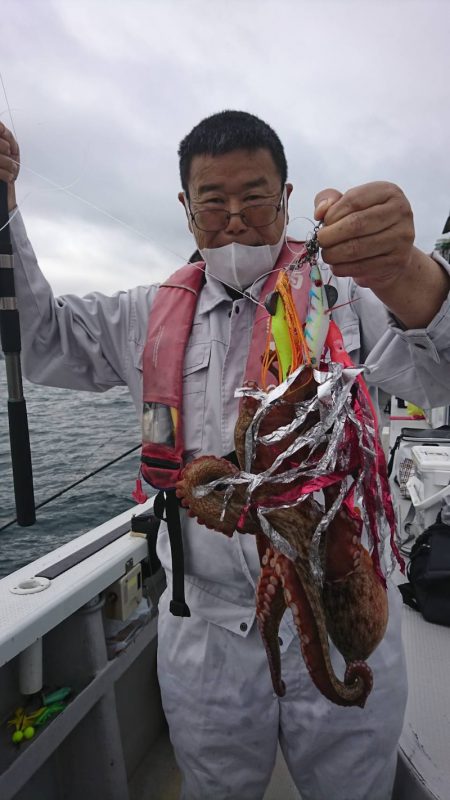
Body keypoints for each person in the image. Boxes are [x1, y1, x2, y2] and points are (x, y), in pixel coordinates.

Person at [1, 111, 450, 800]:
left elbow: (437, 376)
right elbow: (40, 340)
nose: (235, 216)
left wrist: (407, 271)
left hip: (338, 603)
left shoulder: (347, 297)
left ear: (288, 197)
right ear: (185, 209)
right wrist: (3, 214)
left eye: (256, 195)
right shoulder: (145, 314)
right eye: (213, 199)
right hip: (204, 632)